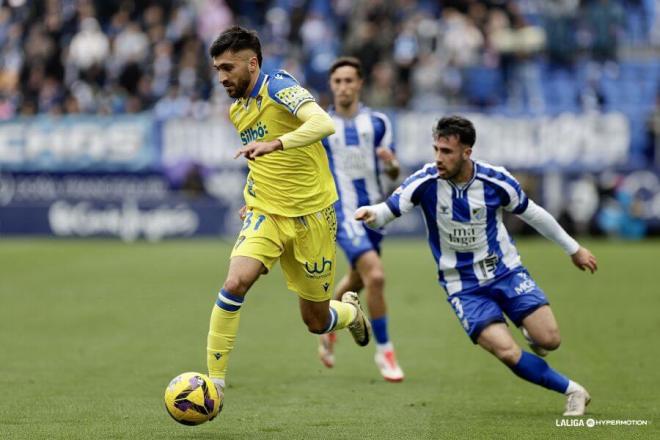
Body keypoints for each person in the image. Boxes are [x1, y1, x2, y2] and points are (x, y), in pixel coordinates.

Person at [355, 116, 597, 416]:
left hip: (505, 272)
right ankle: (572, 390)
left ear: (467, 153)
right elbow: (388, 210)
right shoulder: (425, 181)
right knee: (507, 352)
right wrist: (371, 213)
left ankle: (529, 329)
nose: (439, 158)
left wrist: (573, 249)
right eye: (436, 150)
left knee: (550, 339)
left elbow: (533, 214)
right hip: (462, 285)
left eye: (447, 152)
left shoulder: (496, 180)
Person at [206, 26, 371, 412]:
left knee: (315, 320)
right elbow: (264, 163)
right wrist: (255, 197)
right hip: (267, 214)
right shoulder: (237, 110)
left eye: (228, 67)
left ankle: (349, 312)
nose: (222, 78)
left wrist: (277, 142)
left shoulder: (279, 85)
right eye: (217, 69)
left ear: (253, 62)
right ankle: (214, 385)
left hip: (314, 217)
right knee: (235, 282)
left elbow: (323, 123)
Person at [318, 57, 404, 382]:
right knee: (376, 277)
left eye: (349, 81)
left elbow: (393, 170)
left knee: (357, 279)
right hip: (342, 213)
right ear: (331, 85)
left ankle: (326, 326)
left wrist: (392, 162)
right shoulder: (322, 124)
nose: (343, 87)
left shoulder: (379, 122)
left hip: (375, 213)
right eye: (337, 81)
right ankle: (385, 352)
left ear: (360, 84)